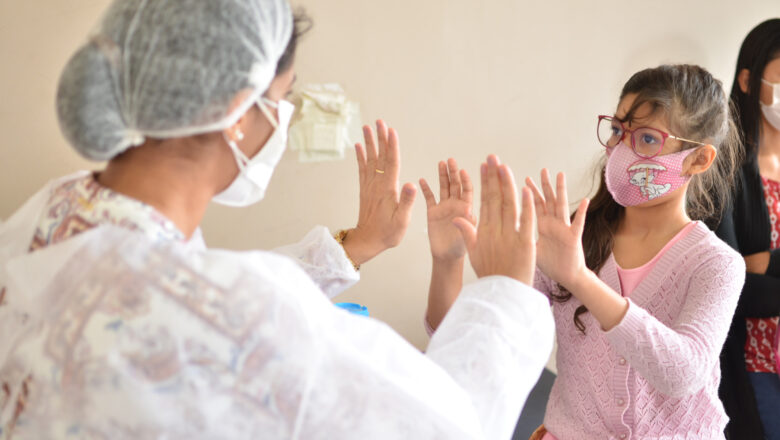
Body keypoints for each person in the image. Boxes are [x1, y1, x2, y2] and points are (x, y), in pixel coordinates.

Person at [0, 0, 555, 438]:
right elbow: (448, 425)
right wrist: (504, 296)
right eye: (284, 99)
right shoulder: (242, 316)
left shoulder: (58, 212)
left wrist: (353, 246)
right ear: (238, 112)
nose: (283, 123)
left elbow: (189, 286)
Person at [425, 64, 745, 439]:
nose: (622, 150)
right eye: (617, 131)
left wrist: (579, 278)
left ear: (697, 159)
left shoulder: (716, 264)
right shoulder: (571, 234)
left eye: (646, 139)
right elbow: (469, 342)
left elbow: (682, 373)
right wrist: (447, 262)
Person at [715, 18, 780, 440]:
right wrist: (747, 270)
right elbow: (730, 283)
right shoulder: (722, 169)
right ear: (747, 80)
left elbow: (755, 274)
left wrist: (769, 262)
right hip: (754, 366)